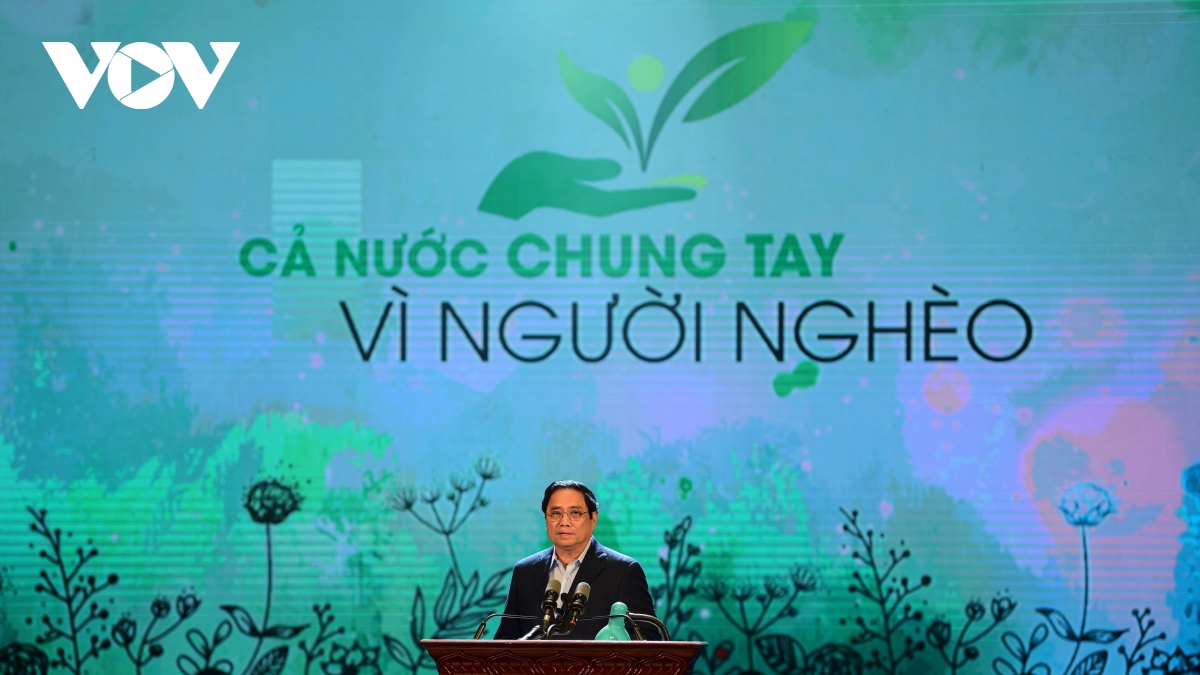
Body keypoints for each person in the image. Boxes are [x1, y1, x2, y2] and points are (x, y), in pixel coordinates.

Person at [493, 480, 661, 640]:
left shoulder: (623, 571)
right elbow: (506, 638)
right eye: (556, 513)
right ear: (545, 518)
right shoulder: (525, 571)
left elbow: (648, 638)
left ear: (593, 518)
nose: (564, 522)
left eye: (575, 513)